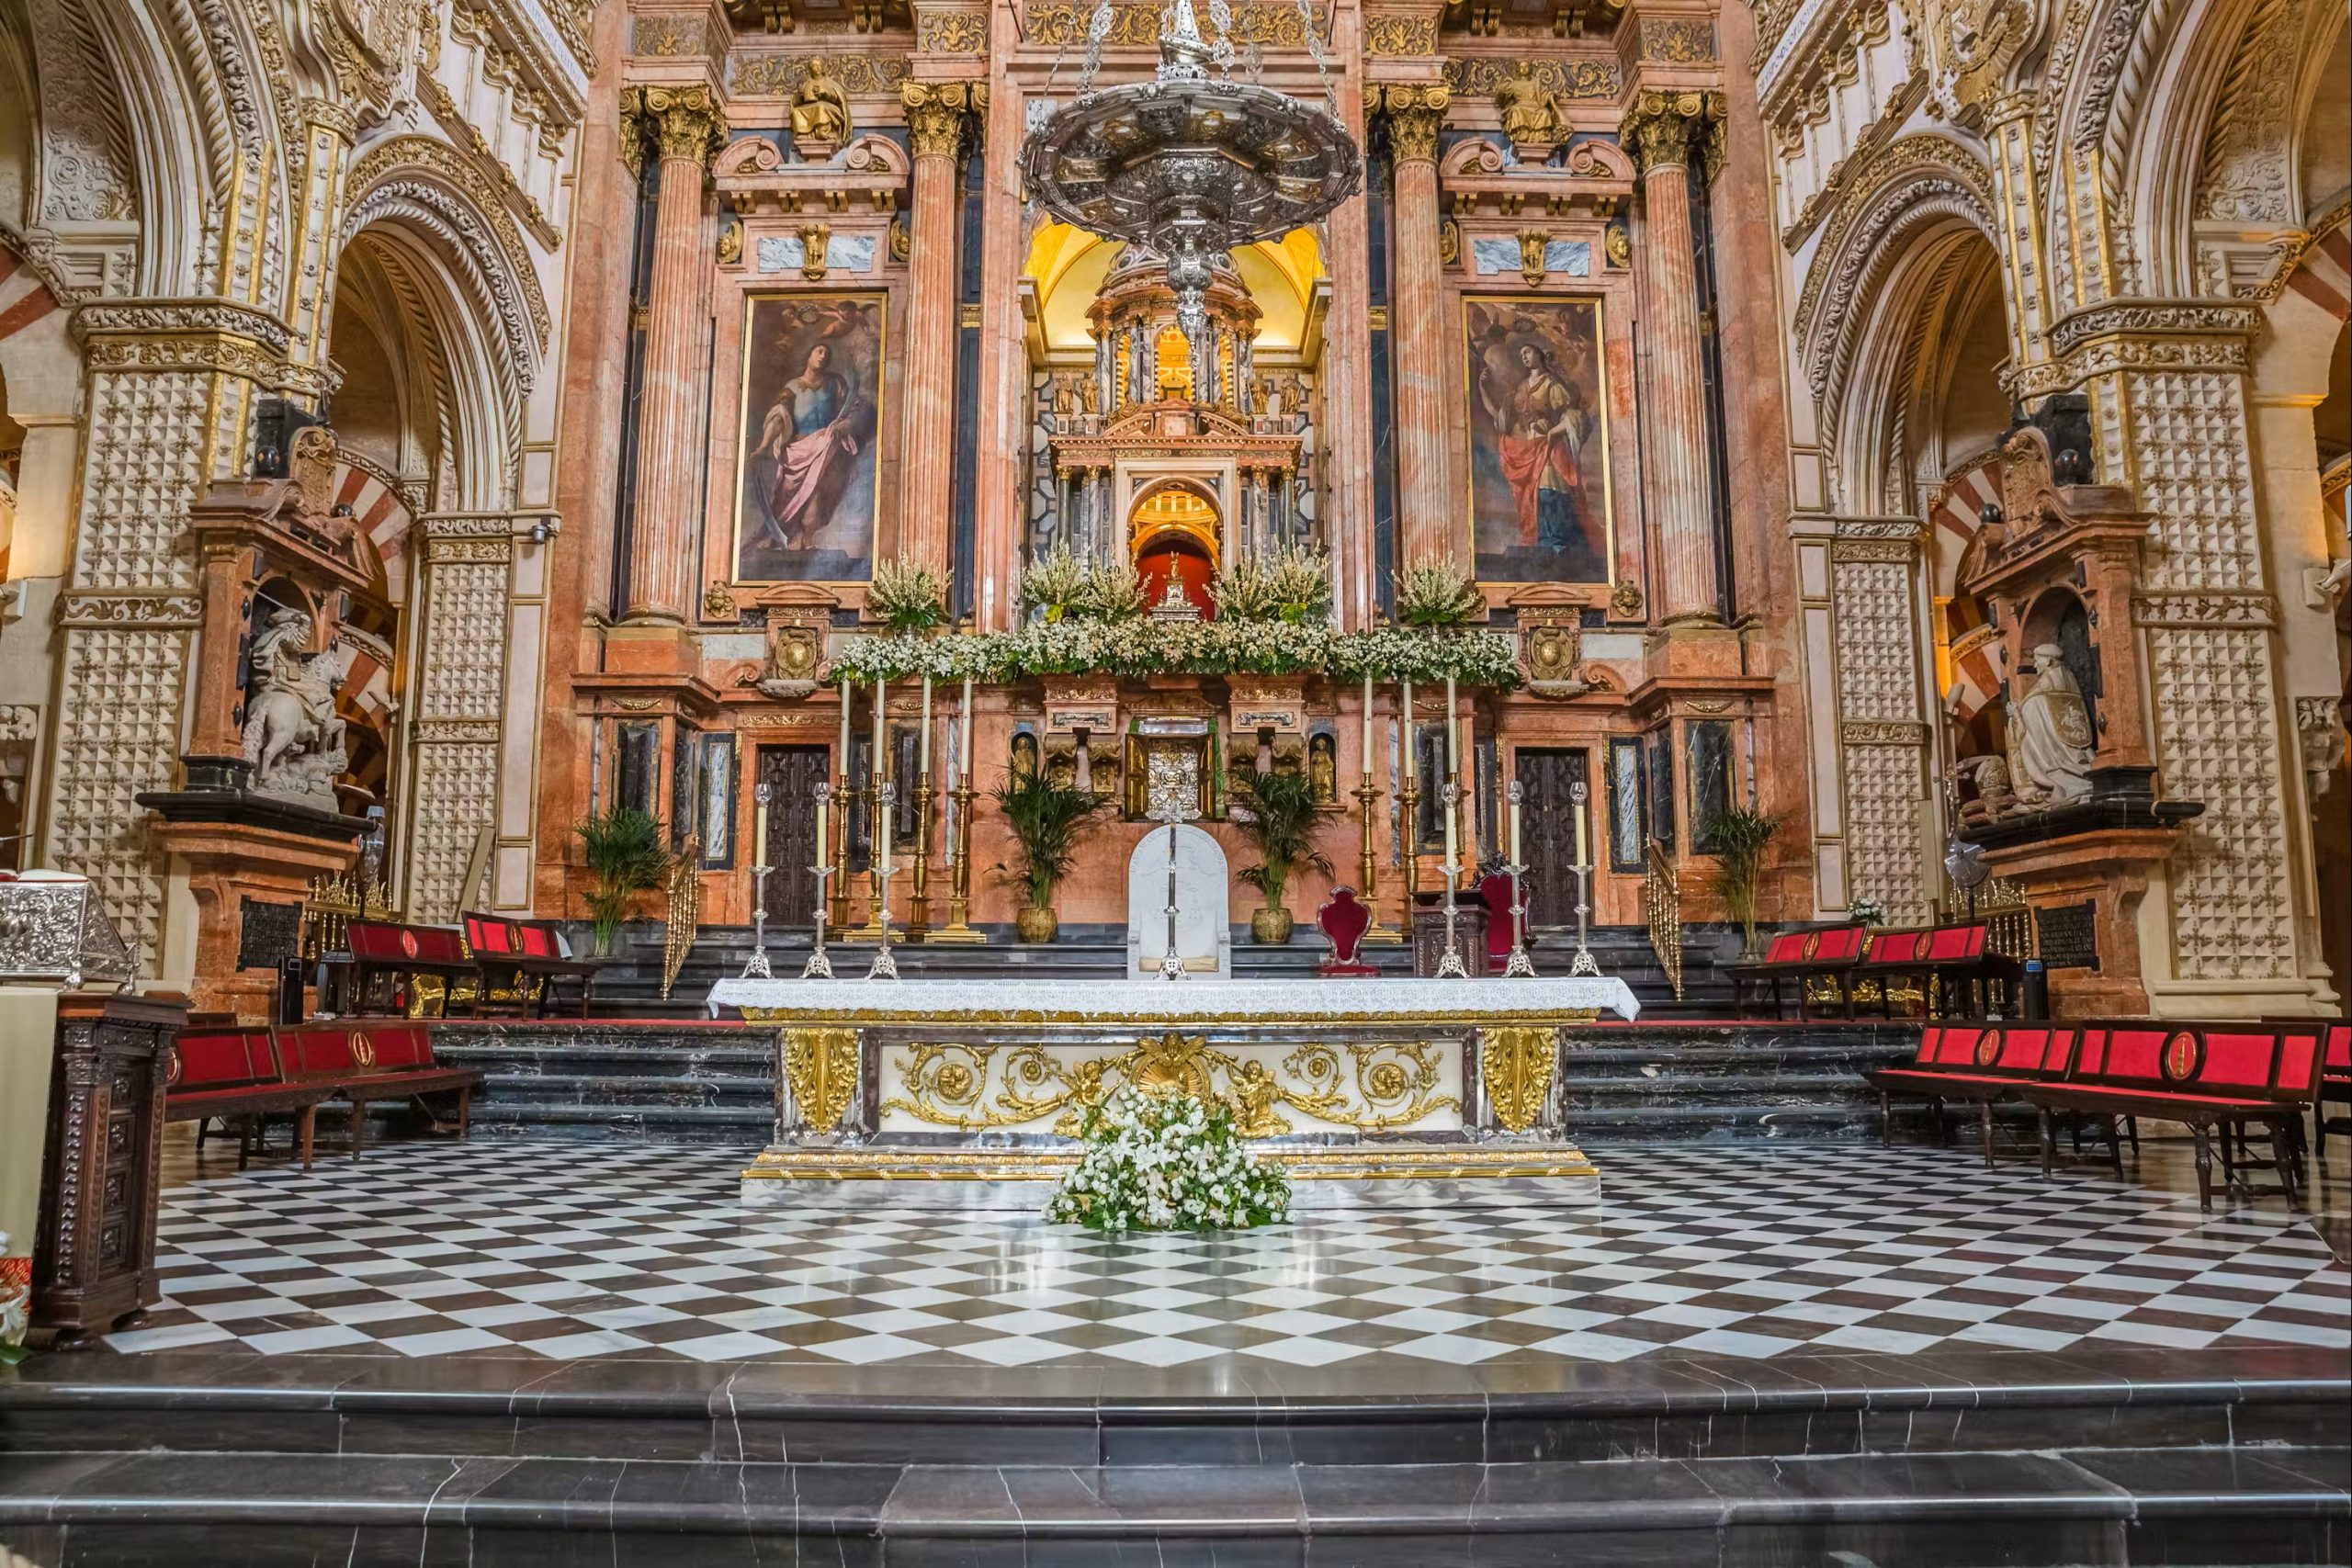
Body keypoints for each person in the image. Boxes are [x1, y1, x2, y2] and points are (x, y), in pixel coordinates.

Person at [752, 338, 871, 552]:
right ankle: (784, 539)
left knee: (815, 497)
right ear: (808, 356)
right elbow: (779, 418)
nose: (823, 356)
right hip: (797, 451)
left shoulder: (835, 384)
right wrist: (763, 446)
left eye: (826, 353)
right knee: (783, 500)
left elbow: (854, 407)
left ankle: (808, 541)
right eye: (818, 351)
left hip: (824, 448)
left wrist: (844, 425)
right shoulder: (791, 388)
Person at [1494, 341, 1592, 555]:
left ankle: (1556, 540)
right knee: (1534, 494)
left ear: (1538, 353)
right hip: (1529, 446)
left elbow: (1573, 414)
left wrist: (1553, 431)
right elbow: (1507, 416)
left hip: (1550, 446)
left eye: (1527, 351)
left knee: (1550, 490)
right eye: (1521, 354)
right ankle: (1544, 539)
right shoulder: (1521, 387)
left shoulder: (1551, 384)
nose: (1524, 356)